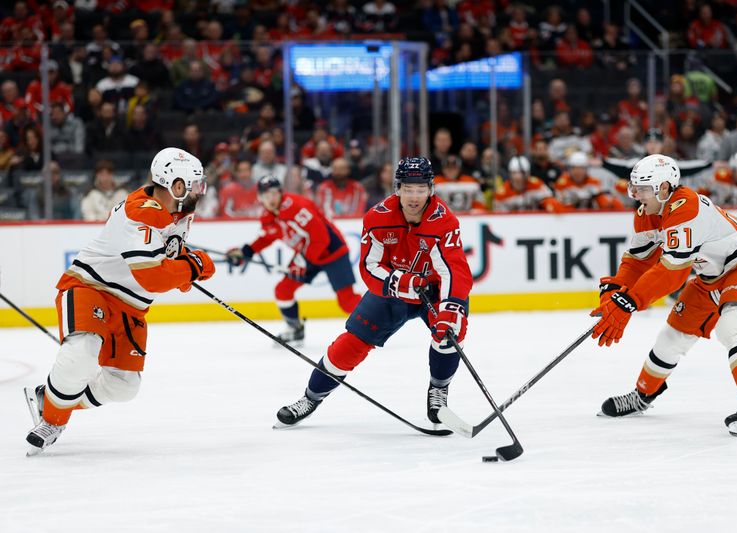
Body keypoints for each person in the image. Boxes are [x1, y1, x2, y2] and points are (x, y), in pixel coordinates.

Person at [24, 148, 216, 454]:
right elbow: (152, 278)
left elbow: (167, 253)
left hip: (132, 306)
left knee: (123, 386)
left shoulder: (180, 209)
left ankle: (50, 397)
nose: (199, 190)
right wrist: (194, 267)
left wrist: (182, 270)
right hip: (91, 287)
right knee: (81, 355)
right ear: (175, 185)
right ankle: (52, 418)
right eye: (193, 184)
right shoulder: (142, 211)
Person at [591, 154, 737, 436]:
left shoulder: (686, 207)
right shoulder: (647, 214)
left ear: (665, 188)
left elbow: (673, 272)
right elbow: (638, 261)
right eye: (635, 188)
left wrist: (629, 301)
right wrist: (616, 289)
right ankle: (642, 395)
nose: (636, 195)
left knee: (732, 326)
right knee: (672, 336)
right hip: (709, 277)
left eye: (642, 188)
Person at [274, 157, 473, 427]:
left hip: (434, 290)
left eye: (420, 189)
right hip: (393, 292)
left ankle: (438, 390)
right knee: (351, 343)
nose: (414, 196)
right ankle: (311, 397)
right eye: (408, 188)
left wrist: (452, 307)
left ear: (431, 190)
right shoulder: (377, 217)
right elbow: (369, 267)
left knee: (450, 334)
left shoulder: (444, 221)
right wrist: (398, 282)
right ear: (397, 189)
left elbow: (454, 269)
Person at [225, 177, 360, 344]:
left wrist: (302, 260)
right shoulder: (267, 215)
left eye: (274, 193)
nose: (271, 199)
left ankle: (376, 317)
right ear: (259, 197)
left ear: (281, 193)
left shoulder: (296, 207)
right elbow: (268, 236)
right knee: (283, 290)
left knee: (346, 302)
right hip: (307, 255)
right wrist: (246, 252)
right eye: (267, 195)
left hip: (332, 251)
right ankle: (295, 329)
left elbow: (321, 237)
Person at [493, 156, 566, 213]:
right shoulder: (501, 193)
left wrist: (549, 203)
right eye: (514, 173)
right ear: (510, 174)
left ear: (528, 174)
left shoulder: (535, 183)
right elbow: (500, 216)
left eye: (522, 173)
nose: (518, 177)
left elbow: (548, 198)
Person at [554, 151, 622, 209]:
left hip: (589, 217)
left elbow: (602, 200)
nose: (578, 172)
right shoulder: (562, 182)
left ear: (586, 169)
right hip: (568, 215)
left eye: (581, 168)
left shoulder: (594, 181)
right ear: (570, 170)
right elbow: (559, 202)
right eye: (575, 168)